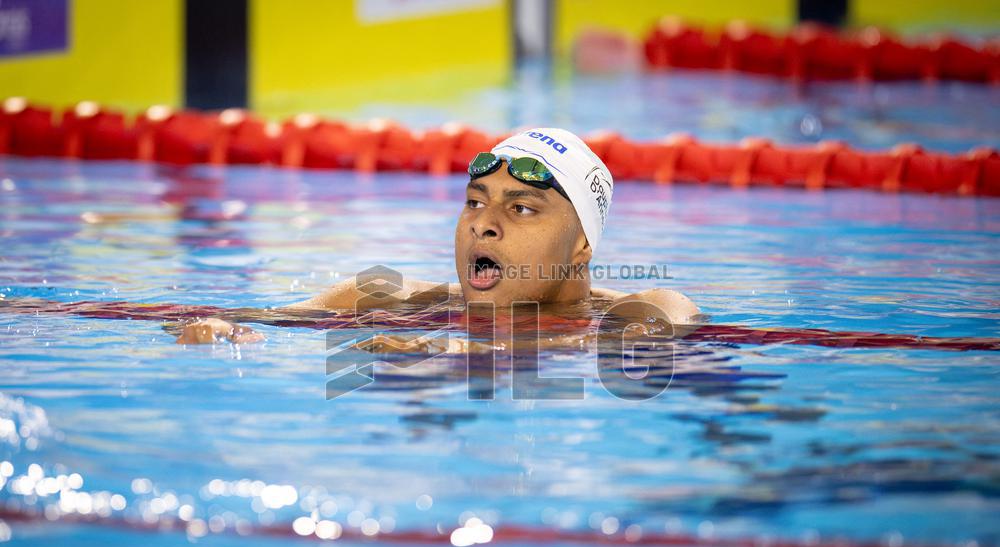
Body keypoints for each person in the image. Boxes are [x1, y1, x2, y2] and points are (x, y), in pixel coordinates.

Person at [176, 127, 700, 349]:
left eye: (521, 208)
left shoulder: (649, 304)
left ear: (582, 245)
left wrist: (469, 354)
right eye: (475, 202)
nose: (483, 223)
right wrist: (223, 333)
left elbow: (659, 333)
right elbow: (265, 324)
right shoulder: (382, 298)